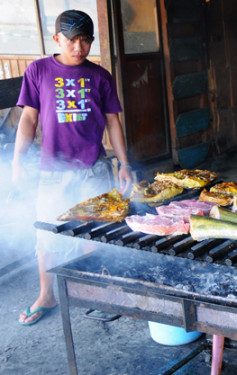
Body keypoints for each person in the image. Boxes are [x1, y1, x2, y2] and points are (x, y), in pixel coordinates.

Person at [12, 9, 132, 325]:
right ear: (56, 39)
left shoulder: (100, 76)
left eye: (85, 40)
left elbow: (112, 122)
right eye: (71, 40)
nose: (78, 47)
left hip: (93, 169)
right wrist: (17, 162)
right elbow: (28, 119)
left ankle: (92, 293)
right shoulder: (38, 71)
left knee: (91, 234)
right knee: (47, 235)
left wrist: (124, 163)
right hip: (52, 172)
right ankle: (46, 295)